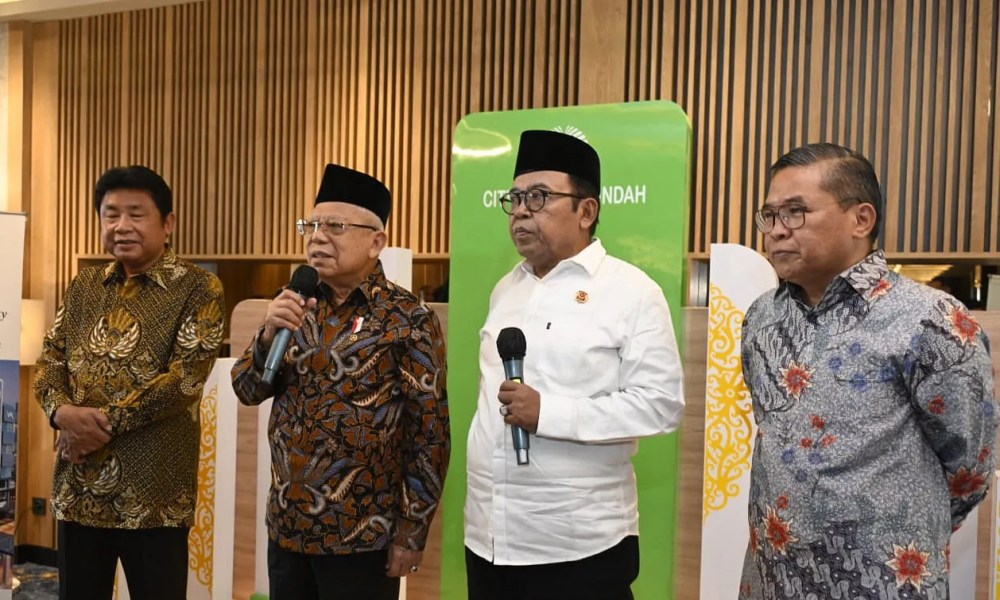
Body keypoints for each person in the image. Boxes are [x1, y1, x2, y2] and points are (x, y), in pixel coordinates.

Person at [739, 143, 997, 599]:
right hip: (772, 576)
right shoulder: (762, 317)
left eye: (796, 212)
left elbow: (971, 466)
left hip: (882, 582)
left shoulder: (931, 319)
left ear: (861, 219)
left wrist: (898, 523)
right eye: (770, 215)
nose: (776, 231)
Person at [464, 130, 685, 600]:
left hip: (578, 546)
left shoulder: (632, 292)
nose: (521, 211)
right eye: (515, 199)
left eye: (539, 197)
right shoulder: (505, 289)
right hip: (489, 539)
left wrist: (550, 413)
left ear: (586, 211)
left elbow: (661, 405)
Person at [231, 164, 450, 600]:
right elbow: (247, 390)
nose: (317, 237)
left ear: (376, 242)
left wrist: (412, 531)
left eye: (334, 226)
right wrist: (268, 336)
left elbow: (430, 433)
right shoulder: (294, 304)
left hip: (362, 538)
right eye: (311, 225)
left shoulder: (408, 318)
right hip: (288, 530)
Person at [34, 165, 226, 600]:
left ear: (167, 223)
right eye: (111, 214)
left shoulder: (199, 288)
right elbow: (51, 358)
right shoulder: (85, 284)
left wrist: (93, 427)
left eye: (136, 214)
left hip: (155, 494)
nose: (121, 226)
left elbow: (183, 380)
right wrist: (61, 412)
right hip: (78, 489)